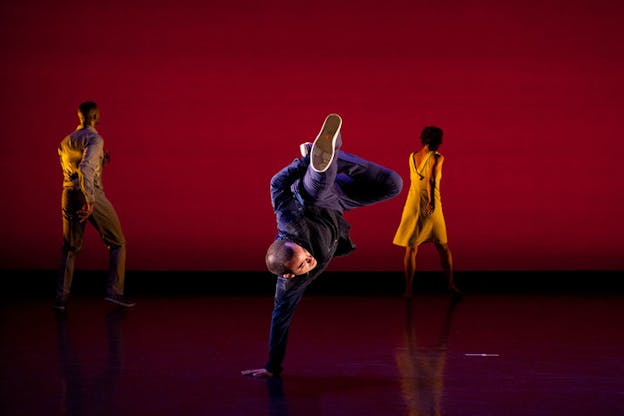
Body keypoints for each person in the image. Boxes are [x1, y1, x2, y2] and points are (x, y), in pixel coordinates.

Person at [242, 113, 403, 377]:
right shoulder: (290, 283)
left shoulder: (288, 220)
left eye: (303, 253)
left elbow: (276, 184)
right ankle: (325, 158)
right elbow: (280, 321)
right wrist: (272, 367)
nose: (310, 260)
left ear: (291, 241)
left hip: (314, 199)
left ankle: (318, 158)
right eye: (304, 264)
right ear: (288, 274)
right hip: (338, 205)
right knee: (392, 184)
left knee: (317, 183)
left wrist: (301, 163)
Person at [54, 101, 135, 310]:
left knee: (70, 248)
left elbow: (73, 169)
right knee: (118, 242)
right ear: (95, 116)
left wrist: (101, 162)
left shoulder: (65, 141)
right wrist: (90, 200)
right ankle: (115, 292)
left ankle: (61, 300)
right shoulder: (95, 139)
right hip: (88, 195)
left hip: (68, 193)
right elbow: (85, 171)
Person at [392, 126, 460, 298]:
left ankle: (408, 290)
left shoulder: (412, 156)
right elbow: (431, 179)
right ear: (438, 141)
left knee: (411, 248)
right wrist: (431, 202)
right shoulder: (437, 157)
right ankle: (451, 285)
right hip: (430, 204)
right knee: (442, 246)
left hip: (412, 203)